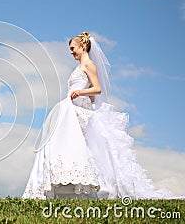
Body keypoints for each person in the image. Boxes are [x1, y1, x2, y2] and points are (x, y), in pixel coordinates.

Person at [23, 32, 180, 199]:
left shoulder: (89, 64)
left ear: (83, 46)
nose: (71, 52)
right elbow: (91, 94)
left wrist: (80, 92)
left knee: (76, 144)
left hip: (76, 109)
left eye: (73, 48)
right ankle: (62, 184)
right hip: (71, 108)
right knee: (66, 143)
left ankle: (80, 184)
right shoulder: (79, 67)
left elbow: (97, 89)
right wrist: (84, 96)